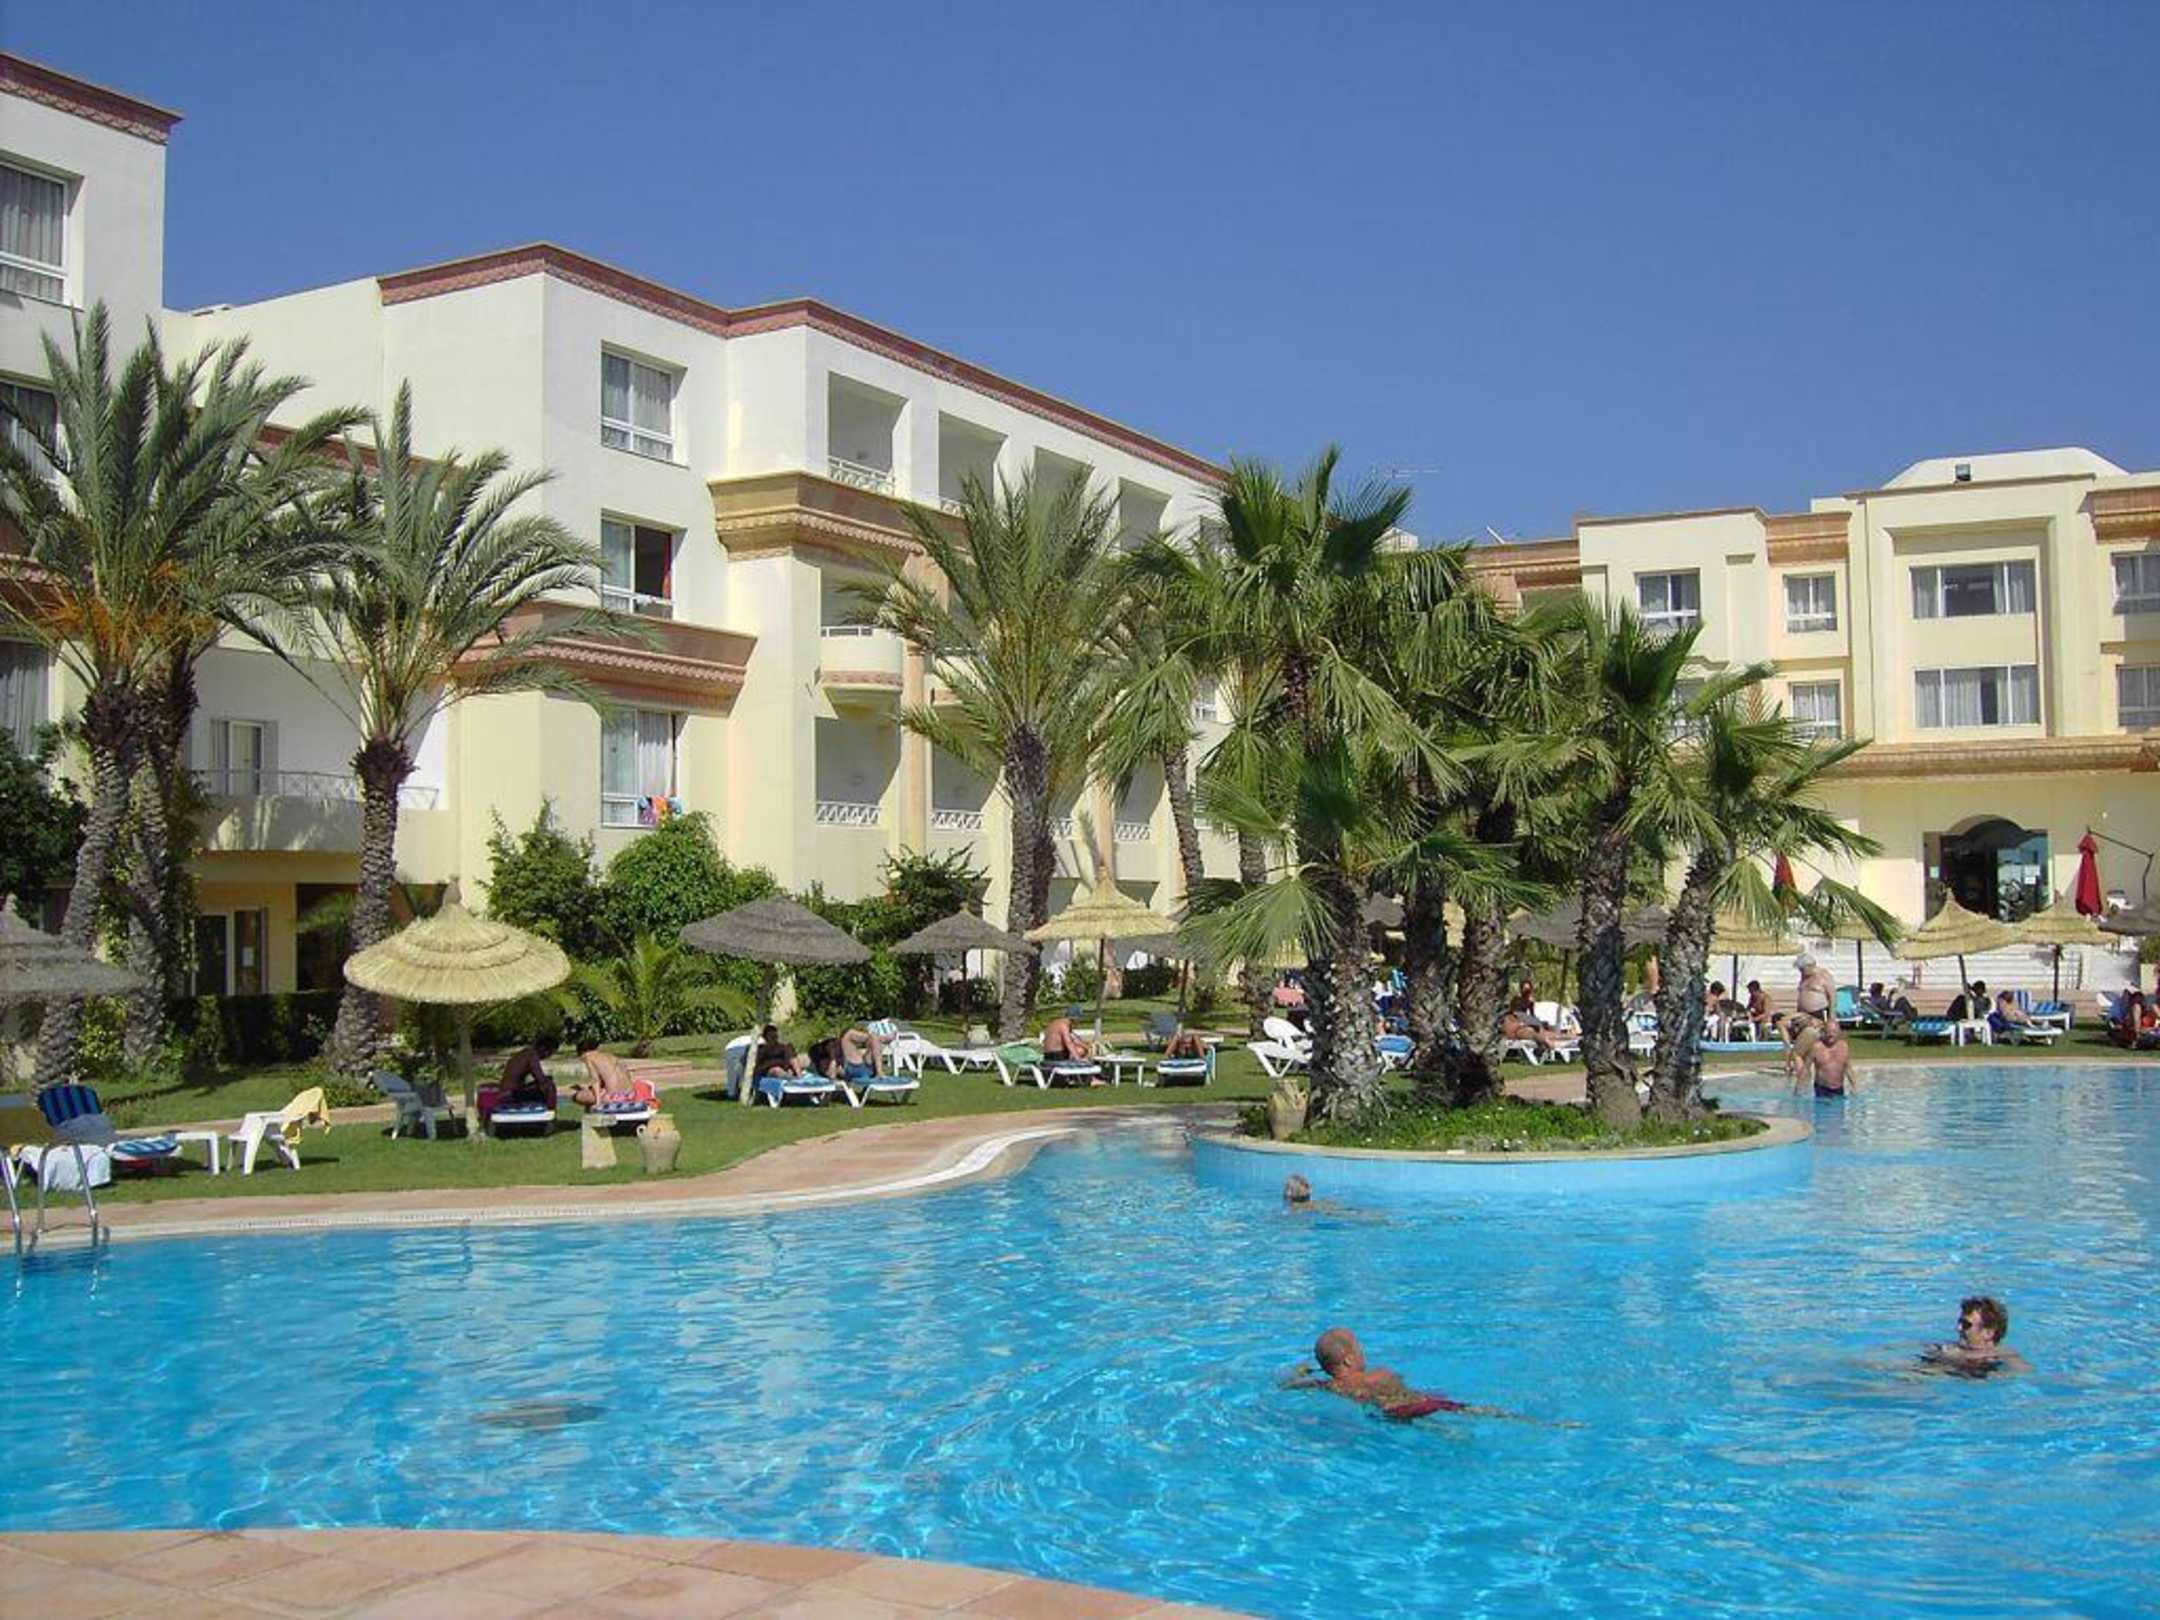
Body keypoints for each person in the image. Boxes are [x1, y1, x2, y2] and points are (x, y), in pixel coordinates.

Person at [1919, 1295, 2030, 1378]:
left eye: (1966, 1325)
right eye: (1959, 1322)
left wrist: (1961, 1357)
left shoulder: (2003, 1356)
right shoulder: (1950, 1349)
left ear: (1988, 1333)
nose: (1958, 1328)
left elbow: (2026, 1374)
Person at [1795, 1019, 1856, 1097]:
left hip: (1839, 1089)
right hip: (1822, 1089)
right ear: (1824, 1032)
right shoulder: (1816, 1048)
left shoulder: (1844, 1047)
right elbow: (1805, 1068)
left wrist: (1854, 1086)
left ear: (1839, 1032)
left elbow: (1848, 1067)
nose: (1831, 1034)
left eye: (1834, 1031)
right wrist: (1798, 1088)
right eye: (1828, 1031)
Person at [497, 1035, 558, 1109]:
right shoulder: (532, 1055)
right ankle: (550, 1112)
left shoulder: (526, 1053)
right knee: (550, 1086)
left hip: (507, 1092)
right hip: (510, 1095)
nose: (548, 1056)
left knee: (547, 1082)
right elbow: (541, 1080)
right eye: (550, 1053)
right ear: (544, 1049)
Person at [569, 1037, 632, 1109]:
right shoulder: (610, 1056)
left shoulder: (589, 1057)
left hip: (613, 1097)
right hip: (630, 1094)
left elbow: (595, 1080)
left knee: (578, 1096)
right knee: (593, 1090)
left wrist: (598, 1102)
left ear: (582, 1053)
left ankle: (593, 1111)